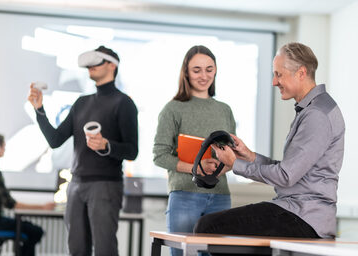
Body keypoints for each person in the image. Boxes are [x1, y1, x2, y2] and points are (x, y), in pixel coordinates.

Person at [194, 42, 345, 240]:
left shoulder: (316, 115)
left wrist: (235, 164)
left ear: (301, 73)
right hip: (300, 212)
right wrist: (250, 156)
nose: (274, 82)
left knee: (208, 227)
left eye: (279, 74)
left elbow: (285, 176)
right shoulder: (315, 109)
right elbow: (290, 170)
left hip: (304, 217)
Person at [27, 45, 138, 256]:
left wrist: (107, 145)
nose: (90, 67)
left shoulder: (124, 103)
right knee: (77, 250)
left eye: (96, 62)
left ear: (112, 65)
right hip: (76, 185)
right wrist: (39, 109)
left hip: (105, 186)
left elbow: (132, 151)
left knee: (104, 249)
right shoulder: (81, 103)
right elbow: (55, 140)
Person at [153, 45, 236, 256]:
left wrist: (217, 169)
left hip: (219, 196)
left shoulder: (224, 110)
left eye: (209, 69)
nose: (203, 75)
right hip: (184, 195)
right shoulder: (173, 109)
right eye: (196, 69)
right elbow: (160, 155)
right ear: (186, 72)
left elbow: (232, 156)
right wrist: (196, 169)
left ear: (216, 70)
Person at [0, 133, 55, 256]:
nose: (5, 149)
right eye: (4, 146)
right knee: (35, 231)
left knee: (28, 229)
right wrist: (42, 207)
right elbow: (11, 204)